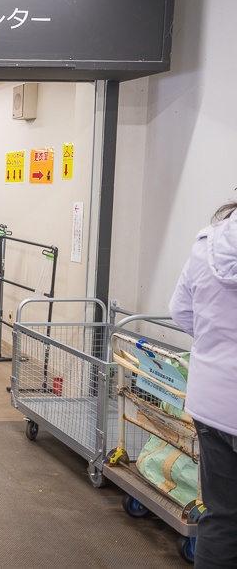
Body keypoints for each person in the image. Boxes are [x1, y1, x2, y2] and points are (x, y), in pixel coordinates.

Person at [169, 199, 237, 568]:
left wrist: (216, 348)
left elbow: (180, 311)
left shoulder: (207, 243)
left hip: (212, 404)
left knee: (222, 516)